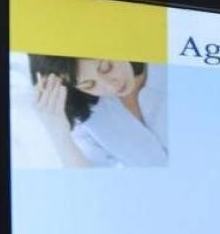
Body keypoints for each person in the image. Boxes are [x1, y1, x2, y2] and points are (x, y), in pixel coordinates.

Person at [27, 55, 168, 167]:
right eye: (88, 85)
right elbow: (88, 183)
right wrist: (59, 134)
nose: (110, 87)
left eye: (106, 67)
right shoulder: (91, 120)